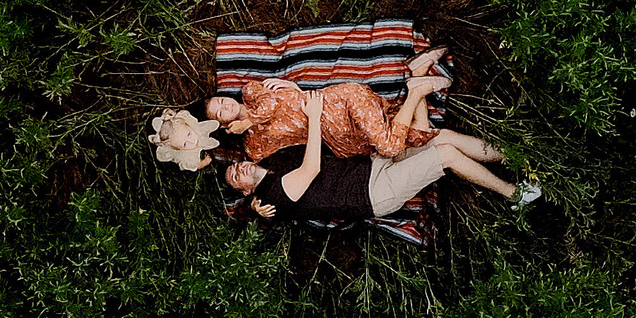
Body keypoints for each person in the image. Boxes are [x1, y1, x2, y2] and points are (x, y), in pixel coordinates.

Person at [224, 87, 541, 220]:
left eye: (236, 166)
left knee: (439, 136)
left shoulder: (275, 167)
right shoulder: (272, 196)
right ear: (245, 189)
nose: (238, 170)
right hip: (374, 194)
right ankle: (513, 193)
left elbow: (288, 131)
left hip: (371, 165)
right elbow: (310, 169)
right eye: (235, 178)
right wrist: (316, 116)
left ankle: (514, 156)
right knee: (444, 154)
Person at [206, 46, 449, 159]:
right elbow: (275, 163)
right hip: (341, 138)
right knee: (413, 136)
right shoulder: (254, 145)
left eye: (219, 101)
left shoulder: (252, 92)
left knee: (390, 147)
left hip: (342, 103)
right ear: (222, 125)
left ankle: (415, 92)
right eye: (219, 113)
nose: (224, 106)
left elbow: (269, 107)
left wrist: (249, 118)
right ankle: (417, 73)